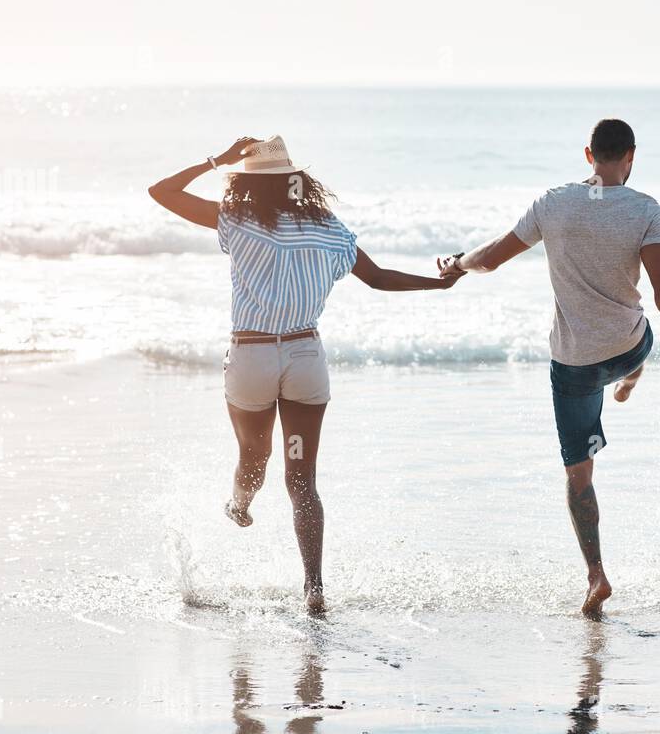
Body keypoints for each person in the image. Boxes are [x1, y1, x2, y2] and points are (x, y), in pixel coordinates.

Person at [149, 135, 461, 615]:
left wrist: (219, 159)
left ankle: (240, 503)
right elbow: (379, 278)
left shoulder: (238, 219)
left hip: (253, 358)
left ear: (248, 183)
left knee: (254, 455)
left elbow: (161, 192)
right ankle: (313, 587)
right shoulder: (328, 228)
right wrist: (437, 283)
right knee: (302, 481)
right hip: (304, 360)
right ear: (295, 180)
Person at [437, 119, 660, 617]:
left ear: (589, 154)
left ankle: (596, 577)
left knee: (579, 475)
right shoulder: (646, 211)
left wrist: (458, 263)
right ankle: (632, 377)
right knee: (640, 335)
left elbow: (492, 259)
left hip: (574, 365)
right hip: (630, 344)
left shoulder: (553, 204)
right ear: (631, 156)